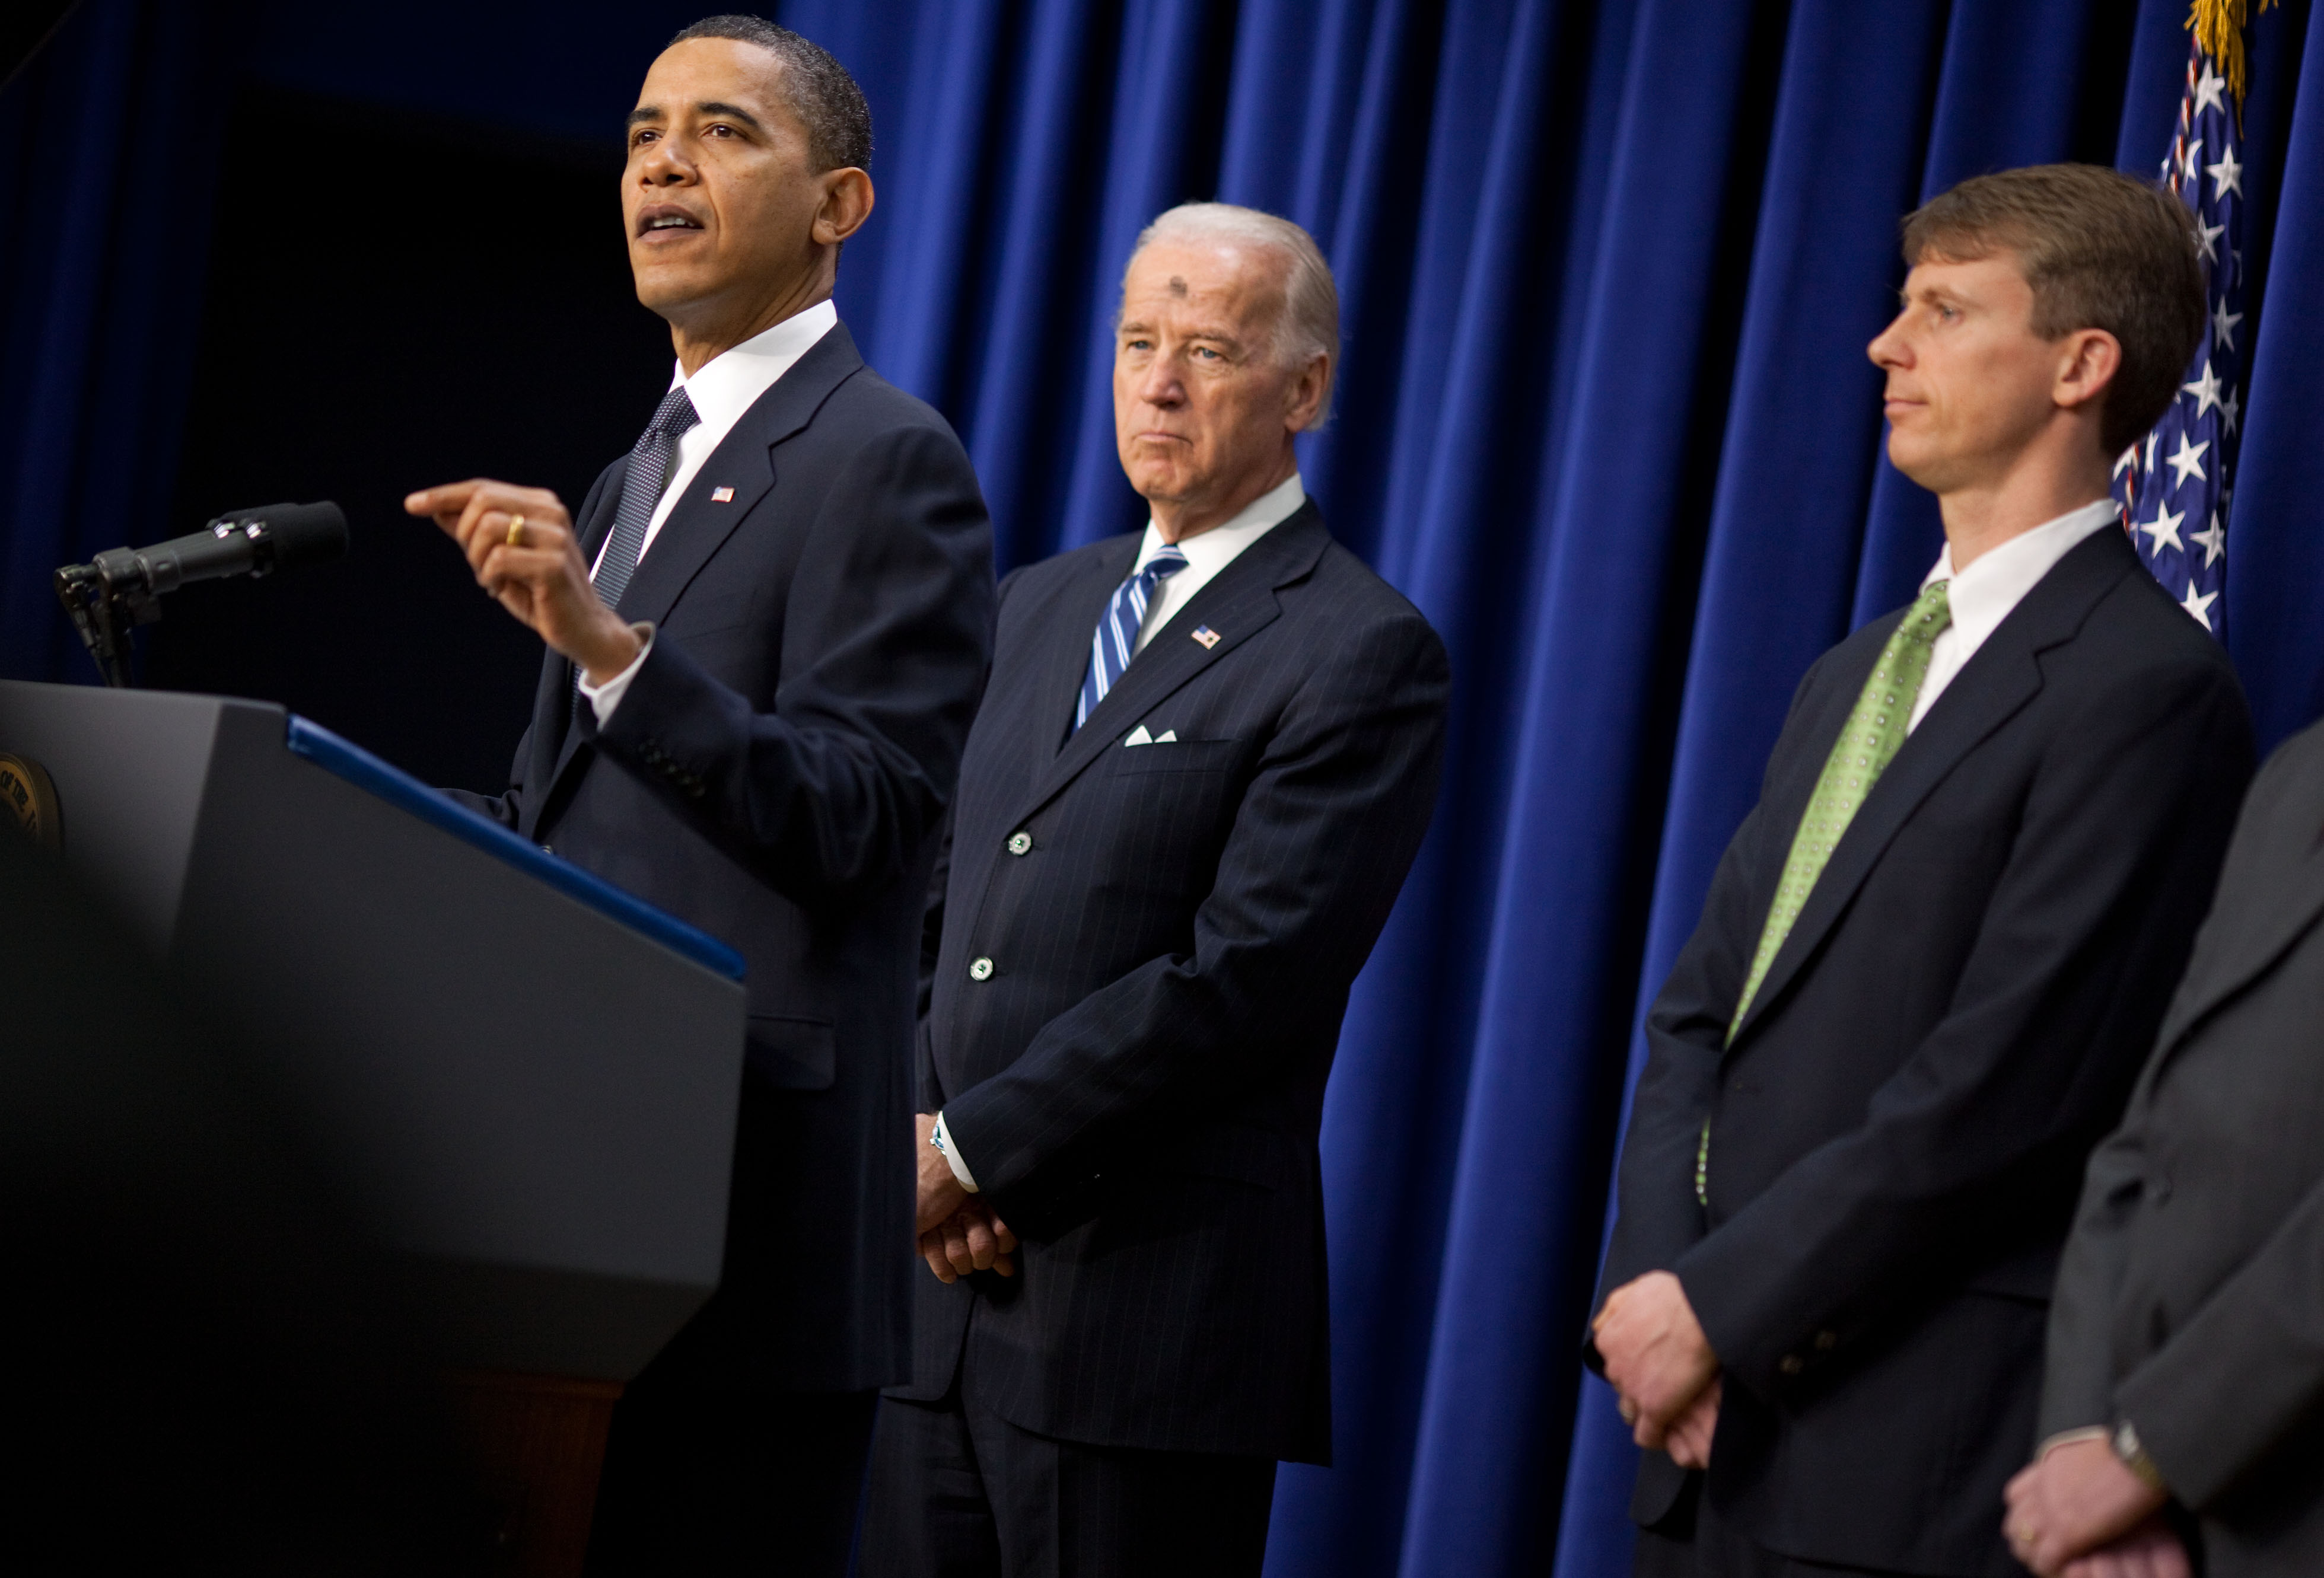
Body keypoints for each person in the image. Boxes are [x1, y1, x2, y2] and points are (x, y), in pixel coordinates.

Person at [1588, 163, 2255, 1578]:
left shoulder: (2150, 690)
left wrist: (1721, 1306)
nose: (1888, 347)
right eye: (1904, 309)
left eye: (1944, 312)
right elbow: (1701, 1013)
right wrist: (1658, 1294)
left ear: (2081, 363)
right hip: (1702, 1437)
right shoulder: (1853, 674)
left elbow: (2005, 1089)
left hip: (1889, 1466)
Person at [402, 17, 994, 1574]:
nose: (661, 161)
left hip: (743, 1227)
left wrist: (612, 650)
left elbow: (869, 815)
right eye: (642, 133)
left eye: (722, 131)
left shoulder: (885, 458)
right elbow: (577, 824)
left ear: (838, 206)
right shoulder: (629, 475)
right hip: (569, 1185)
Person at [858, 202, 1450, 1578]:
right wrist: (923, 1131)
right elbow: (921, 903)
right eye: (1138, 342)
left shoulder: (1362, 648)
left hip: (1139, 1327)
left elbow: (1240, 979)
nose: (1160, 382)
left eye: (1208, 349)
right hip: (933, 1313)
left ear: (1305, 388)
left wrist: (969, 1158)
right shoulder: (1034, 604)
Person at [2005, 719, 2324, 1578]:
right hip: (2136, 1525)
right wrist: (2080, 1433)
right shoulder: (2298, 773)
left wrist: (2152, 1450)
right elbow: (2147, 1136)